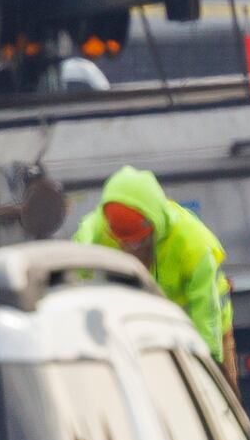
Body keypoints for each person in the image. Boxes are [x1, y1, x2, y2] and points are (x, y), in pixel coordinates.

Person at [74, 166, 239, 394]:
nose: (127, 249)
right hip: (135, 336)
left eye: (136, 243)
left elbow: (206, 323)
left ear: (153, 229)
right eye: (122, 242)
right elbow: (73, 277)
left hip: (199, 330)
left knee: (222, 408)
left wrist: (207, 376)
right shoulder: (96, 234)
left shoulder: (193, 246)